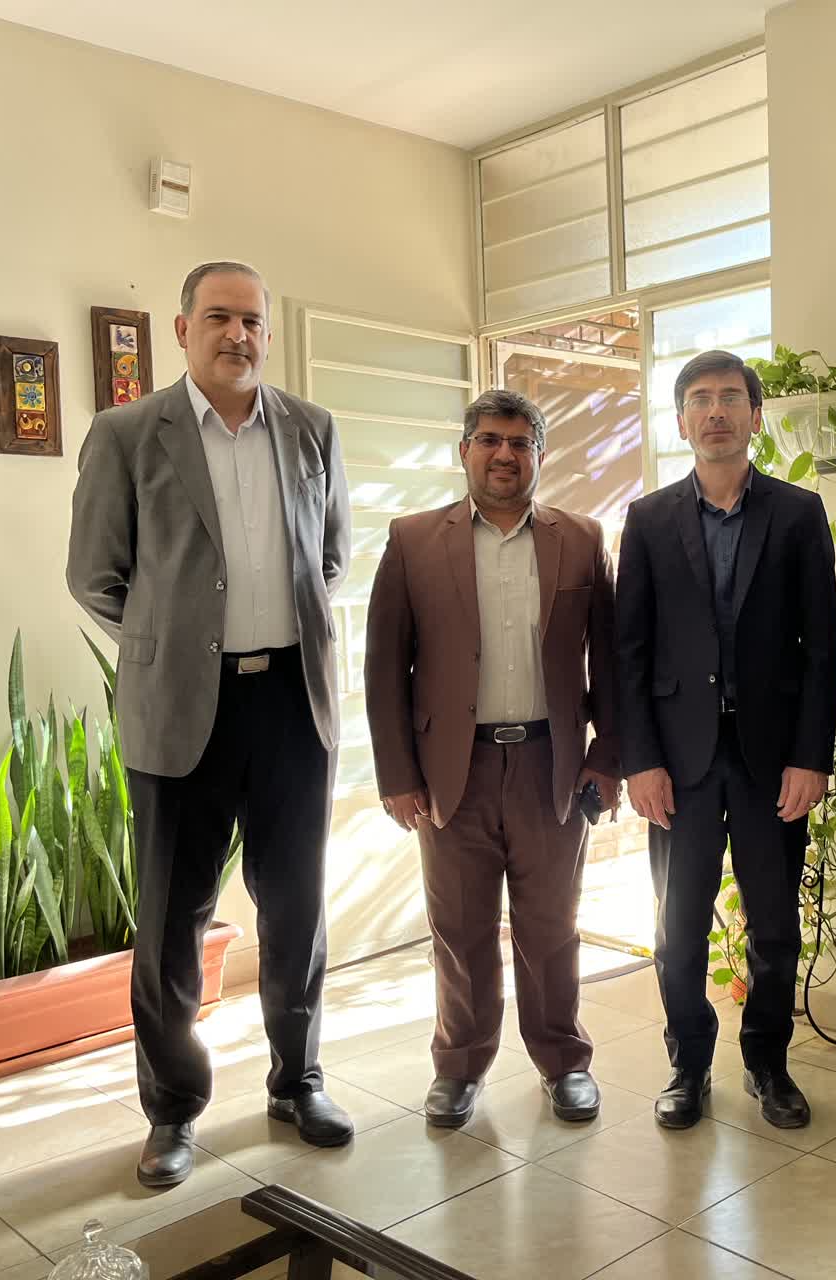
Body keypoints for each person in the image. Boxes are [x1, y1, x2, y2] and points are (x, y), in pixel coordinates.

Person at [67, 261, 354, 1189]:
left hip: (292, 705)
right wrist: (173, 647)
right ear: (182, 328)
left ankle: (297, 1082)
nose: (240, 335)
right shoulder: (126, 433)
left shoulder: (311, 429)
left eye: (254, 320)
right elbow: (94, 575)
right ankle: (172, 1111)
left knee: (297, 907)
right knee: (171, 922)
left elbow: (332, 558)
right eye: (221, 317)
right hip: (182, 709)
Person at [365, 389, 621, 1129]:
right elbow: (385, 667)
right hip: (454, 771)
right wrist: (397, 776)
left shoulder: (581, 539)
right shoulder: (413, 540)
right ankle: (459, 1066)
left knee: (552, 926)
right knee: (460, 929)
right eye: (489, 440)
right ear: (465, 451)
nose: (504, 455)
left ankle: (564, 1061)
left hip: (551, 768)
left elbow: (610, 662)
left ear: (539, 454)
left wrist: (606, 758)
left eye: (519, 442)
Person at [616, 350, 836, 1131]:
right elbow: (628, 652)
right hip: (677, 763)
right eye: (701, 399)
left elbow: (820, 648)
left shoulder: (798, 514)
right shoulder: (647, 520)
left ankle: (768, 1064)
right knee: (677, 929)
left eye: (731, 398)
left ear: (754, 415)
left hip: (771, 760)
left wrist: (810, 756)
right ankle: (688, 1065)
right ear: (681, 421)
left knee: (774, 927)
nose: (716, 411)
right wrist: (639, 761)